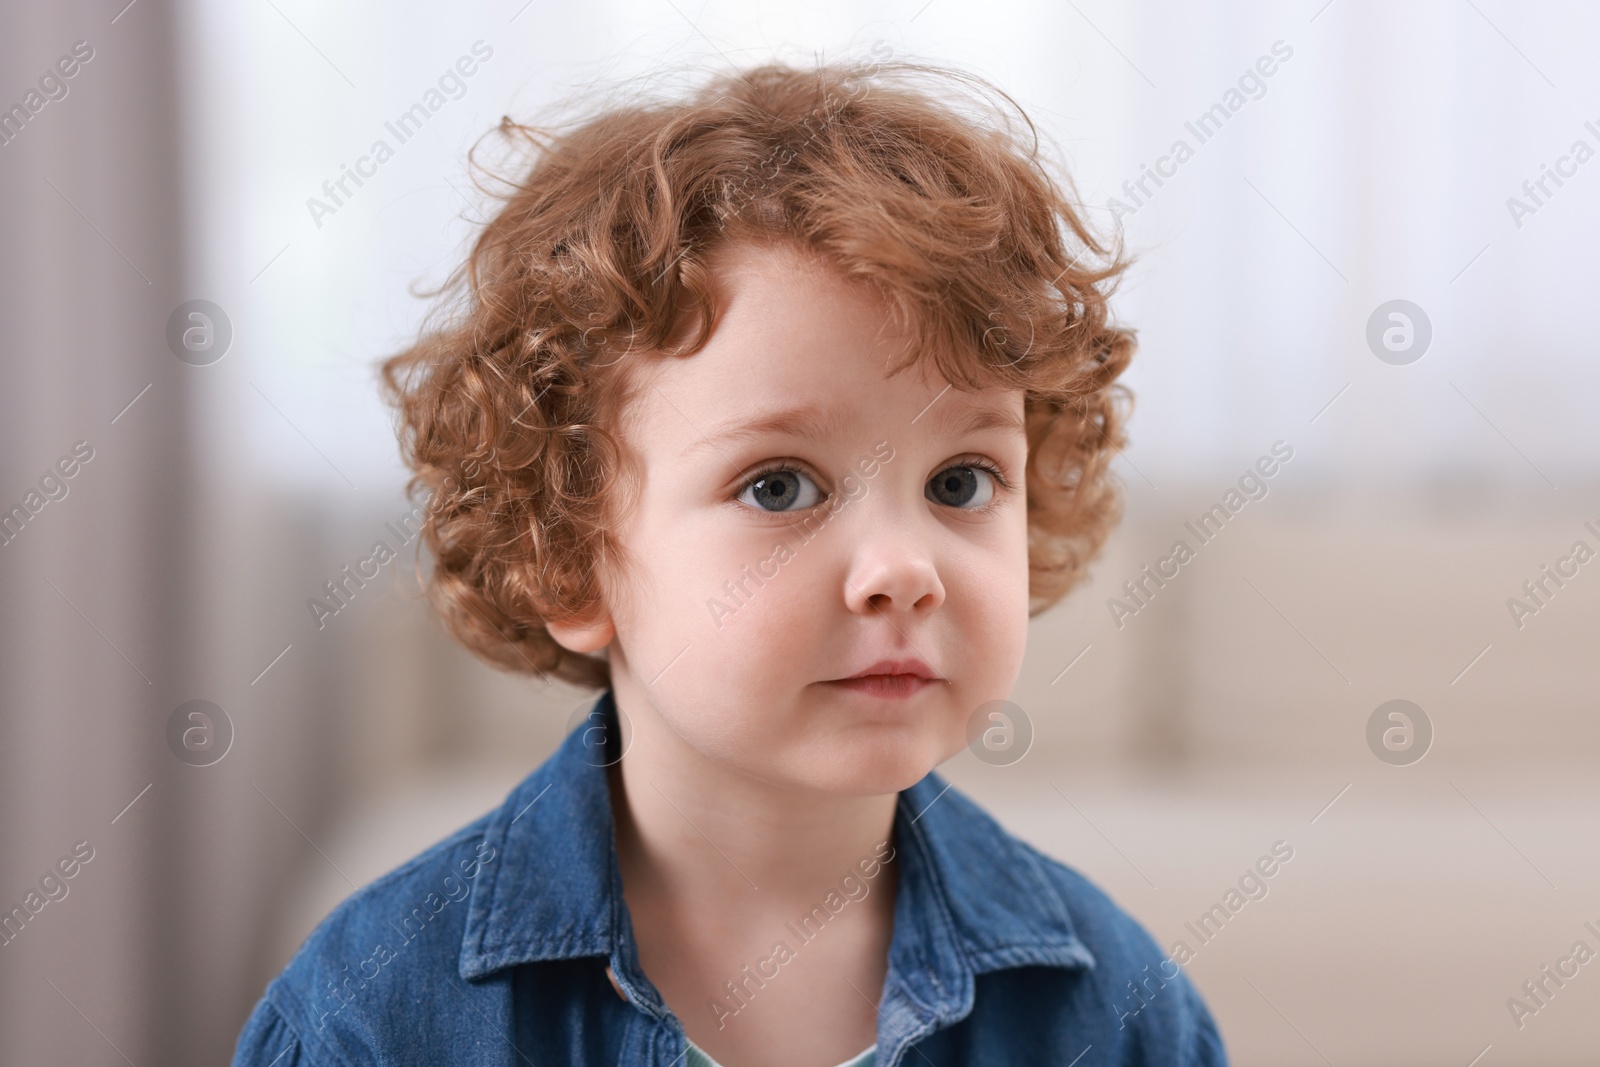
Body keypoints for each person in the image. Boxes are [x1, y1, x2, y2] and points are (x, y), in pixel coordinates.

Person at [232, 55, 1227, 1067]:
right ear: (568, 560)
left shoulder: (1115, 1008)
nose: (901, 567)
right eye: (778, 486)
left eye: (960, 482)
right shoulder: (377, 1009)